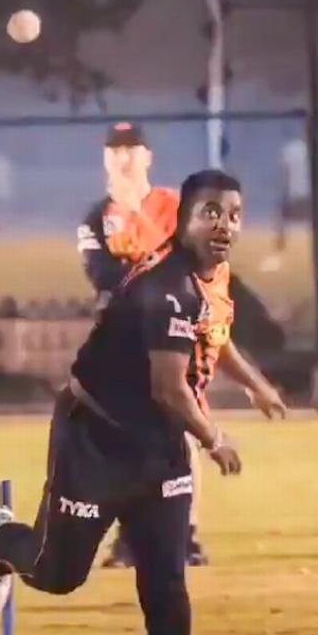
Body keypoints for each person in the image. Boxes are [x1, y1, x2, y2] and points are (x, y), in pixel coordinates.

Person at [0, 170, 282, 635]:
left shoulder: (209, 281)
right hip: (95, 439)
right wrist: (215, 438)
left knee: (166, 584)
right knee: (58, 572)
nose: (226, 225)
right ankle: (2, 542)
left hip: (161, 448)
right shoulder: (164, 287)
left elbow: (214, 338)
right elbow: (169, 388)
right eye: (212, 212)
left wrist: (257, 387)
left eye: (236, 214)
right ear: (185, 219)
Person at [76, 122, 209, 568]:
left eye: (132, 149)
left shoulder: (173, 205)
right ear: (105, 159)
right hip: (119, 341)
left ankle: (184, 536)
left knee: (180, 428)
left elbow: (187, 260)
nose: (124, 157)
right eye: (115, 150)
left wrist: (143, 217)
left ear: (148, 156)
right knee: (122, 436)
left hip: (170, 334)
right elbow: (103, 275)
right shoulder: (96, 218)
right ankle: (129, 540)